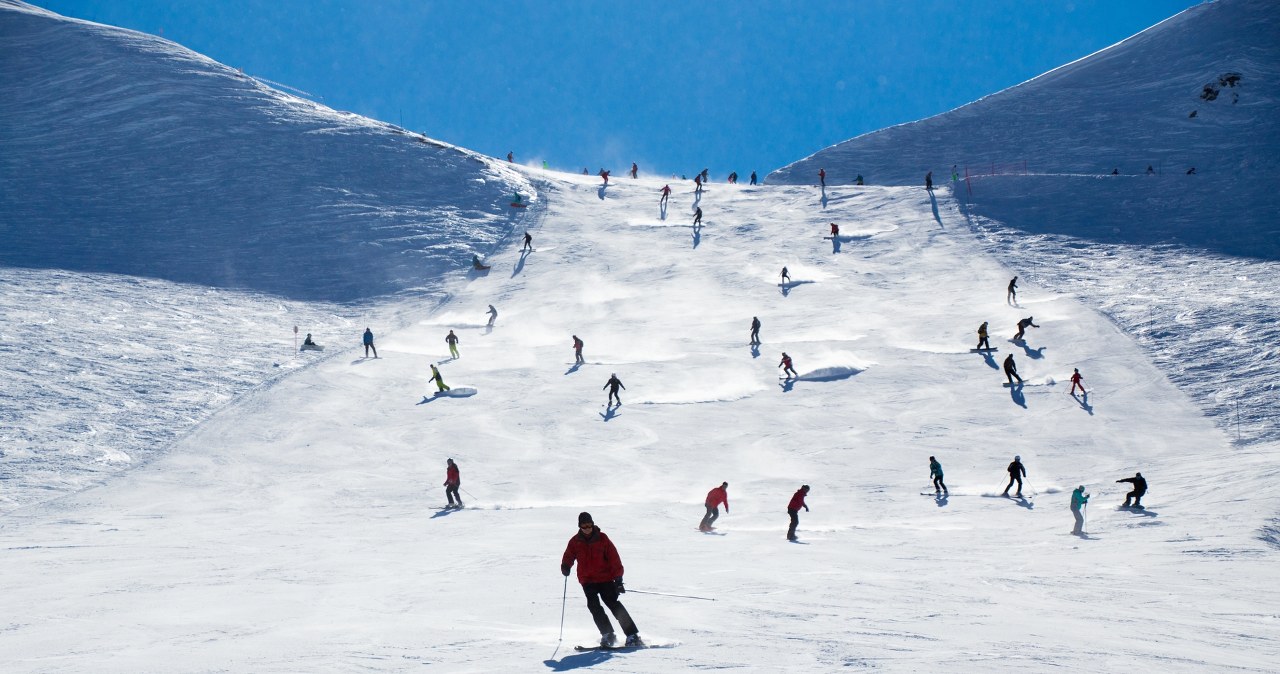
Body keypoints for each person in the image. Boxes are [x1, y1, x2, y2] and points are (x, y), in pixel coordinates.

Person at [561, 513, 642, 648]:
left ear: (592, 524)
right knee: (594, 606)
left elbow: (614, 558)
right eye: (584, 526)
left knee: (613, 604)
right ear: (579, 526)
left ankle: (632, 635)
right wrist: (565, 566)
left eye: (589, 525)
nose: (587, 528)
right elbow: (568, 555)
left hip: (605, 579)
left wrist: (618, 579)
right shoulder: (575, 541)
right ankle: (608, 634)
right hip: (587, 580)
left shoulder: (602, 538)